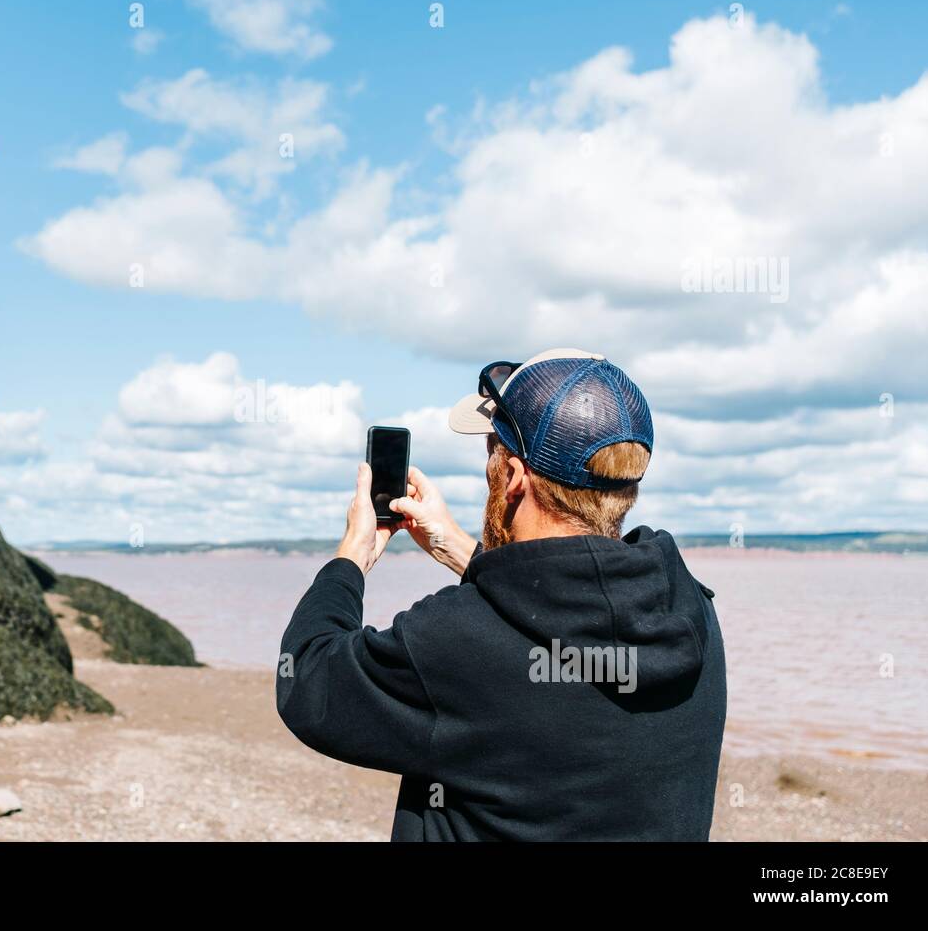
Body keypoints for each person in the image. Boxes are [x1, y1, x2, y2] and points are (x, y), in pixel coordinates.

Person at [276, 348, 727, 841]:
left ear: (512, 478)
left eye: (491, 450)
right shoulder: (691, 612)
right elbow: (556, 625)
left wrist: (352, 556)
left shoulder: (453, 642)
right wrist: (462, 551)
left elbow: (308, 678)